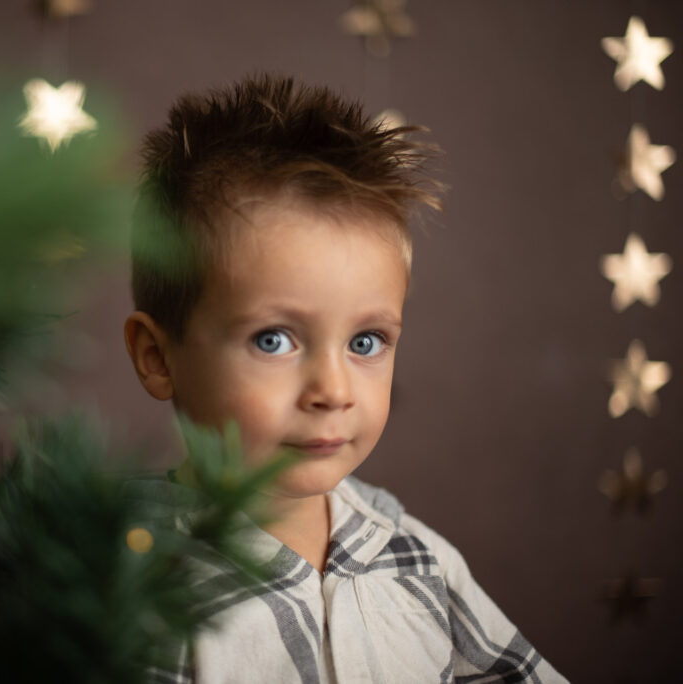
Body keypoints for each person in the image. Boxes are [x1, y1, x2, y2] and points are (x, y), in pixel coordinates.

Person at [122, 75, 567, 683]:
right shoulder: (137, 593)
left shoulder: (416, 558)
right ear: (158, 356)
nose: (333, 390)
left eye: (365, 342)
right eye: (273, 340)